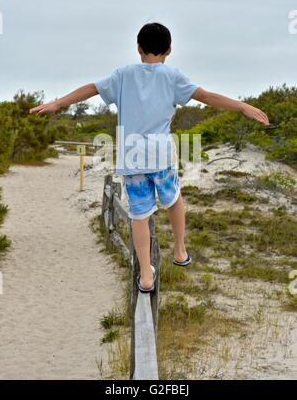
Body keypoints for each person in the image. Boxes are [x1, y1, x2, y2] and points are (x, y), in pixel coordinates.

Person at [29, 22, 269, 293]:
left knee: (139, 215)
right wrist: (242, 106)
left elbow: (92, 88)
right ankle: (179, 250)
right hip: (161, 155)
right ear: (169, 50)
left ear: (138, 48)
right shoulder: (172, 76)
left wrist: (58, 103)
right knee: (174, 200)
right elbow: (206, 97)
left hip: (132, 158)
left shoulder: (123, 75)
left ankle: (145, 275)